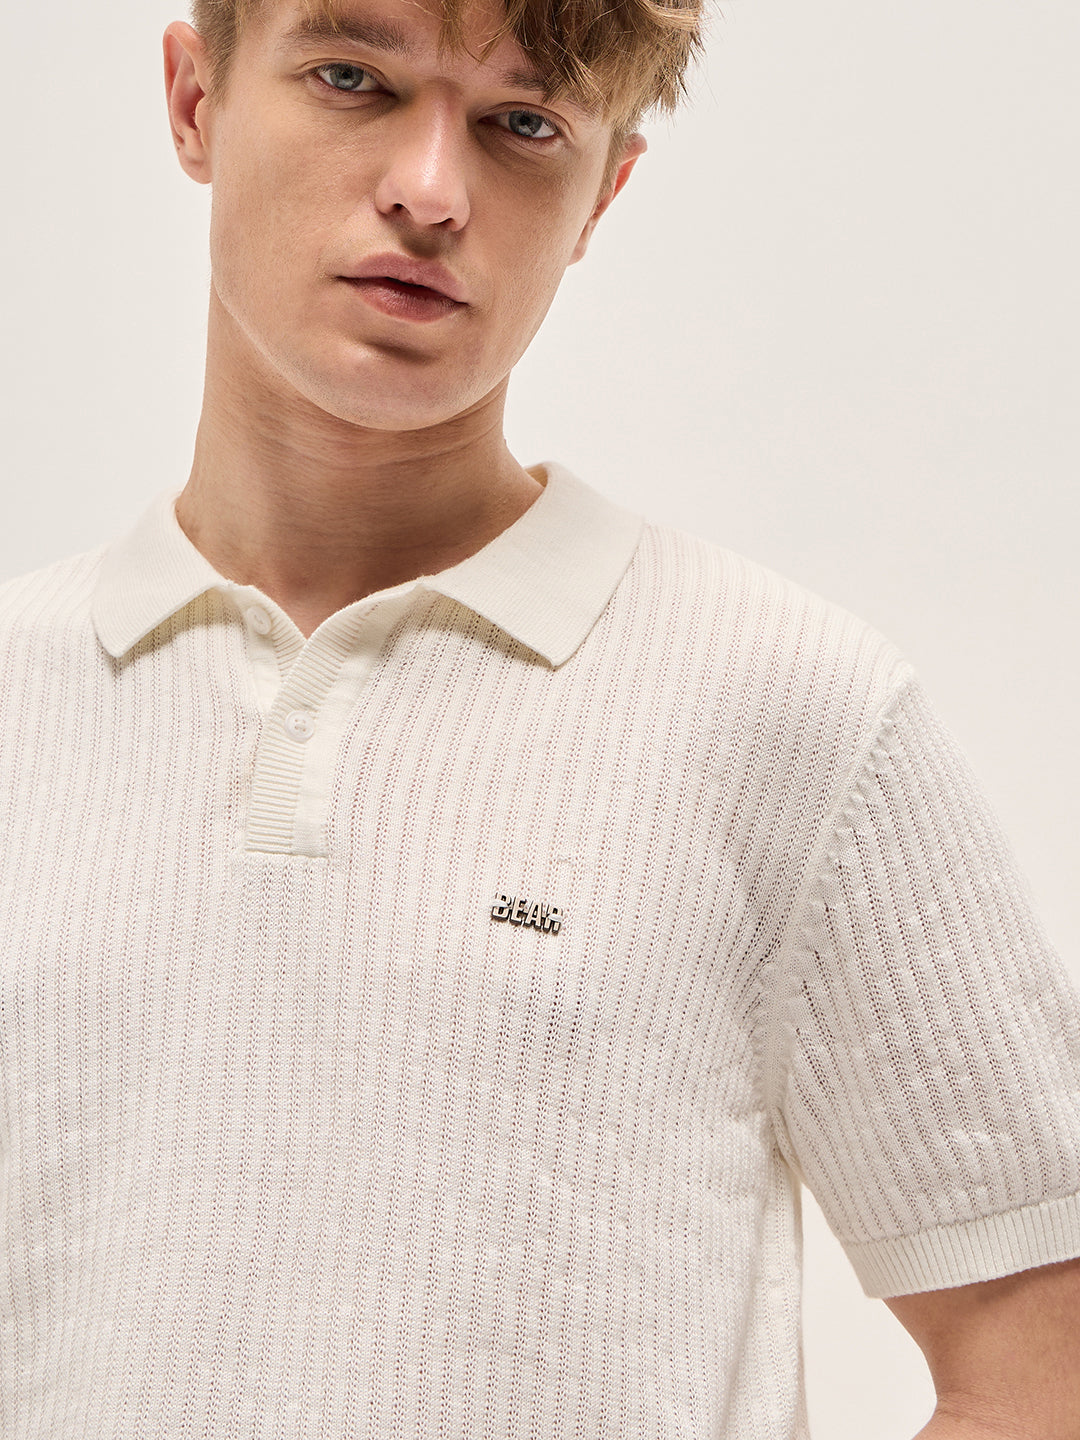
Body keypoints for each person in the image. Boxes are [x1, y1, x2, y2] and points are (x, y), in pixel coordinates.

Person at [0, 0, 1077, 1433]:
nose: (430, 191)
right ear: (196, 101)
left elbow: (1043, 1361)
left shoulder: (786, 709)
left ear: (603, 193)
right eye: (352, 78)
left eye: (523, 124)